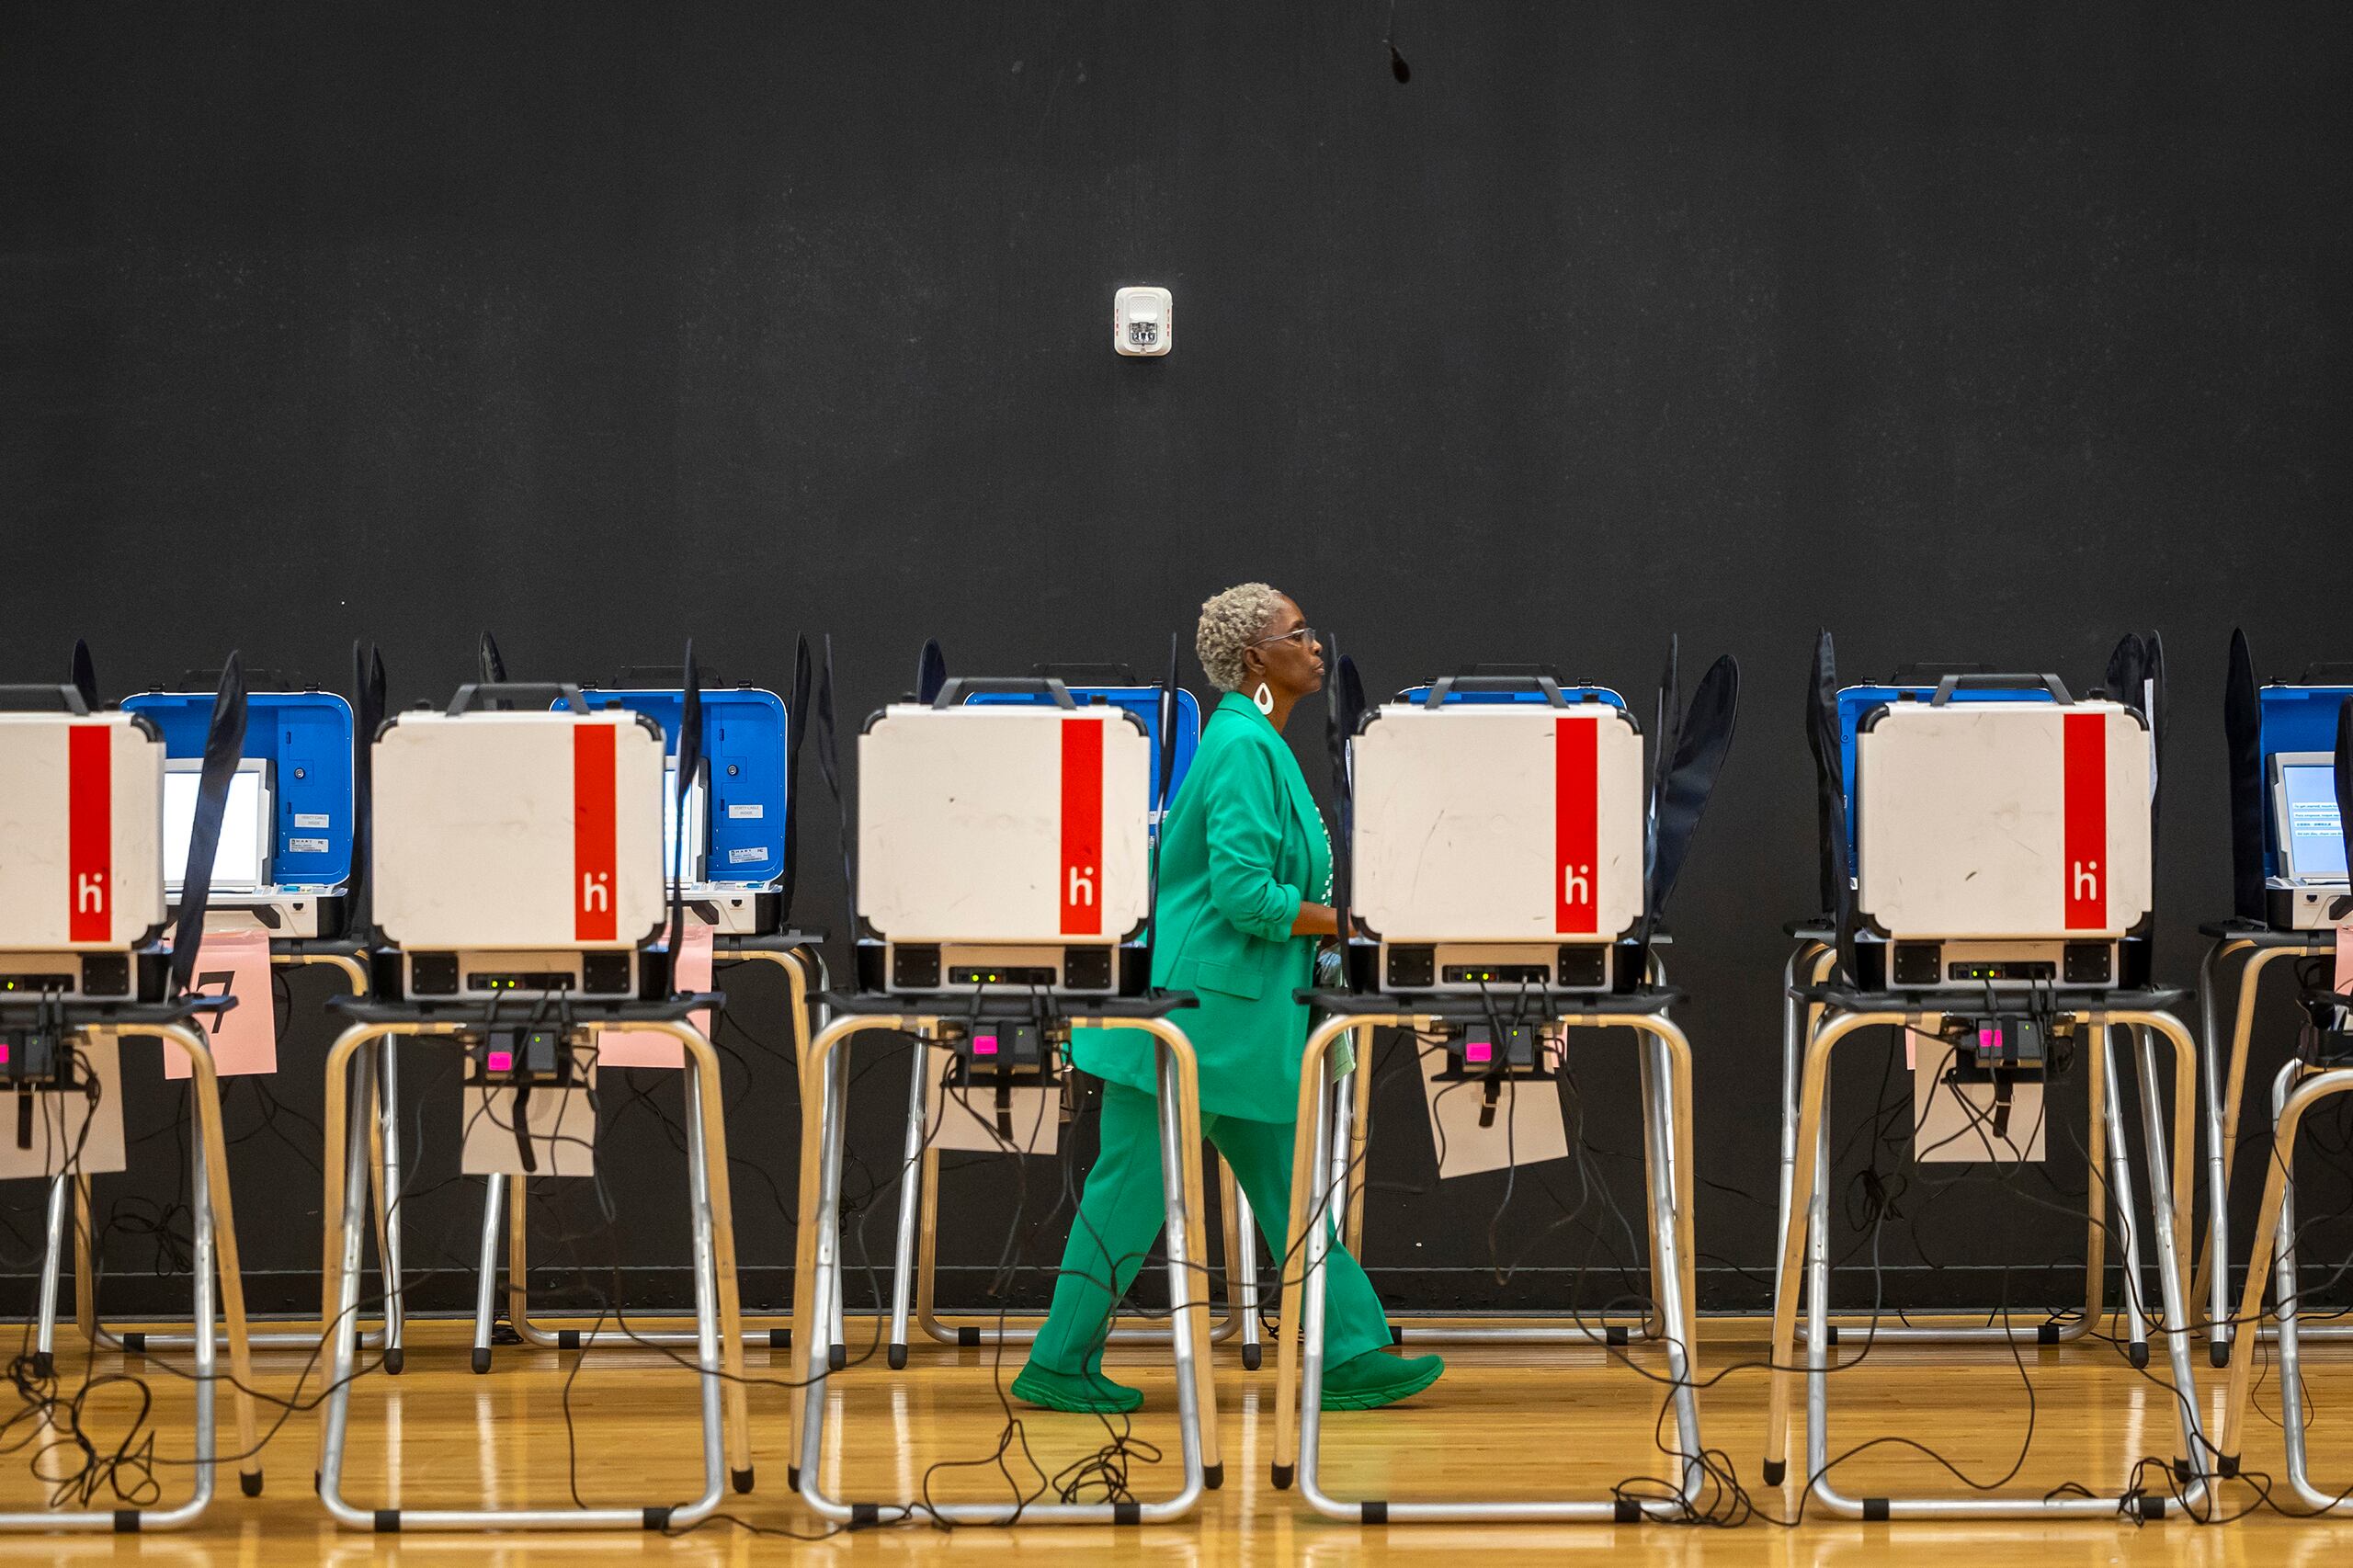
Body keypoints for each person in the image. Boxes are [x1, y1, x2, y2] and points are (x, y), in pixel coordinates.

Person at [1012, 584, 1444, 1415]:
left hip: (1241, 1020)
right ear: (1256, 658)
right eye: (1299, 633)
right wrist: (1351, 923)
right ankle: (1059, 1363)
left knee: (1289, 1188)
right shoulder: (1244, 745)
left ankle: (1348, 1352)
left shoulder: (1256, 739)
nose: (1316, 646)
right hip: (1198, 1019)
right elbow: (1246, 895)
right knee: (1129, 1192)